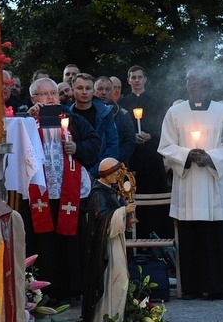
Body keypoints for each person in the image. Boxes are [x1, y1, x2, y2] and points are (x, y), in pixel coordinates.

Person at [158, 64, 223, 300]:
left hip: (213, 185)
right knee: (190, 237)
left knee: (215, 236)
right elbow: (165, 145)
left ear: (208, 85)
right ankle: (192, 286)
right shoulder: (175, 113)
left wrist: (211, 157)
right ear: (186, 85)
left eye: (199, 81)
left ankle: (218, 286)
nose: (194, 85)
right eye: (190, 80)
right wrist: (187, 155)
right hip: (188, 185)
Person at [26, 77, 101, 300]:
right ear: (33, 98)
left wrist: (77, 147)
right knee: (43, 240)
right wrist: (29, 121)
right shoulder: (28, 122)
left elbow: (95, 142)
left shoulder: (73, 119)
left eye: (53, 93)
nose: (50, 97)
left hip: (69, 191)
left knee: (71, 239)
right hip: (40, 191)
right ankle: (43, 288)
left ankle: (74, 286)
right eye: (44, 94)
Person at [82, 157, 136, 322]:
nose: (118, 177)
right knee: (116, 281)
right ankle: (103, 321)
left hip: (114, 243)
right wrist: (123, 211)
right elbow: (102, 222)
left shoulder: (109, 191)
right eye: (116, 173)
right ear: (106, 174)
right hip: (105, 248)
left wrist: (124, 213)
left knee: (120, 280)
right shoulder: (98, 194)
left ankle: (114, 319)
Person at [120, 65, 172, 238]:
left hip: (152, 157)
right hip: (133, 158)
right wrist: (132, 137)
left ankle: (160, 236)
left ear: (145, 79)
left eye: (139, 77)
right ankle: (137, 239)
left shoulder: (156, 102)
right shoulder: (123, 104)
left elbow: (163, 126)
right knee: (134, 196)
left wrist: (151, 135)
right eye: (133, 77)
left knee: (156, 196)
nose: (136, 80)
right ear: (128, 80)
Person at [68, 73, 119, 175]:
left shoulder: (105, 115)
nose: (84, 92)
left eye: (88, 88)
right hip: (72, 173)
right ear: (73, 91)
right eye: (80, 88)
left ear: (93, 91)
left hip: (100, 173)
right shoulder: (65, 116)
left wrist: (94, 172)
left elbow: (112, 146)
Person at [94, 75, 136, 165]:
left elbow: (130, 141)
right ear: (93, 90)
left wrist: (114, 160)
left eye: (108, 89)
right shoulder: (86, 112)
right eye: (100, 89)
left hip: (116, 165)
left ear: (111, 91)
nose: (104, 92)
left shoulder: (123, 114)